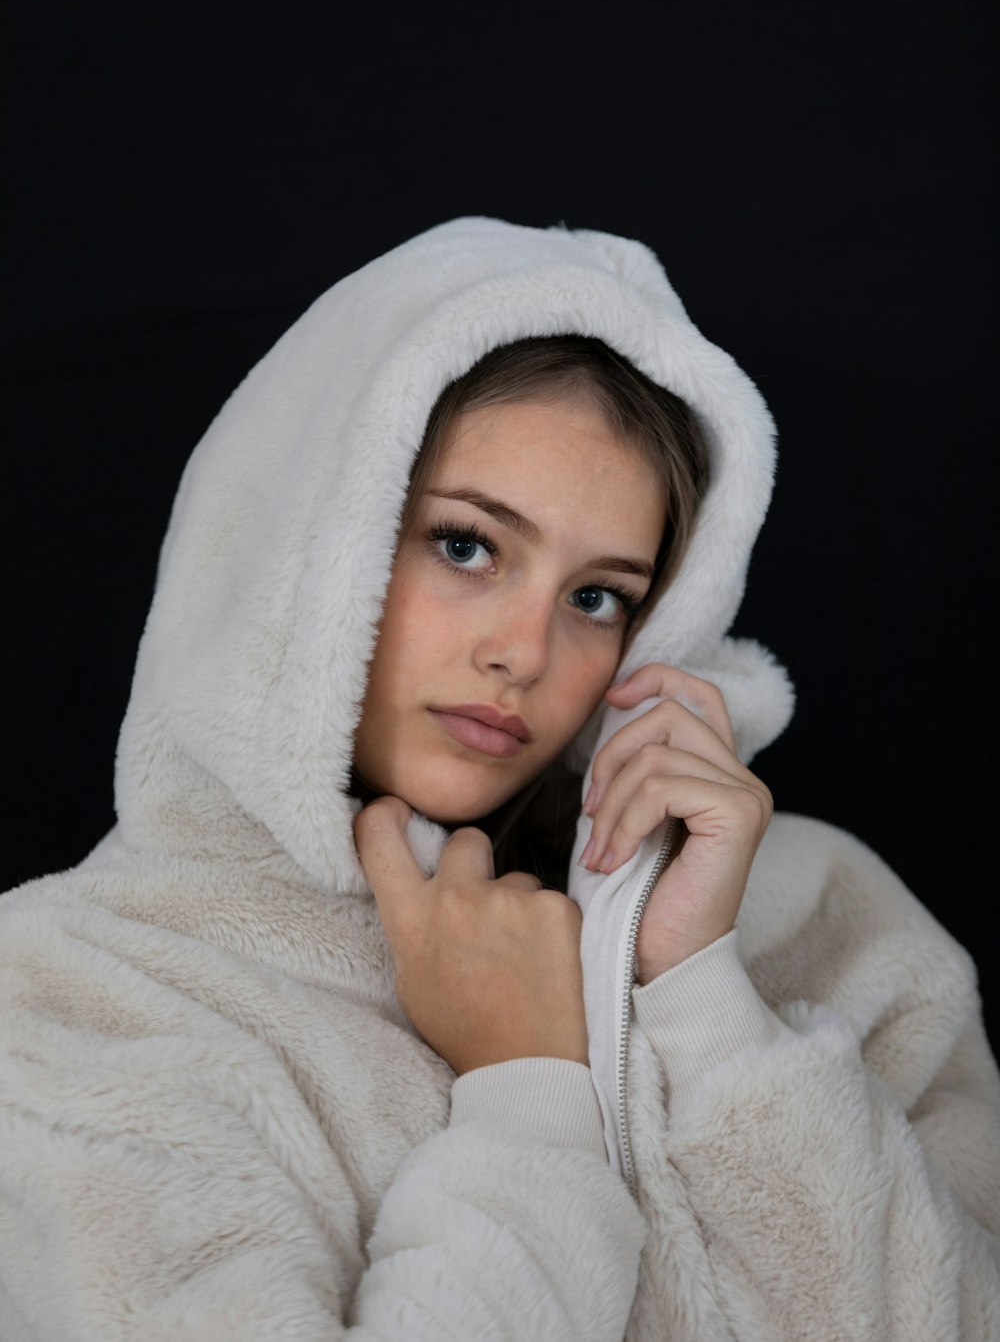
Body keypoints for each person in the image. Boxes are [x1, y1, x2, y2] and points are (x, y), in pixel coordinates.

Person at [0, 216, 997, 1340]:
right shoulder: (71, 1003)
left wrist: (700, 1002)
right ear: (305, 537)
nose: (524, 653)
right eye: (466, 545)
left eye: (597, 597)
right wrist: (529, 1097)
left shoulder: (825, 922)